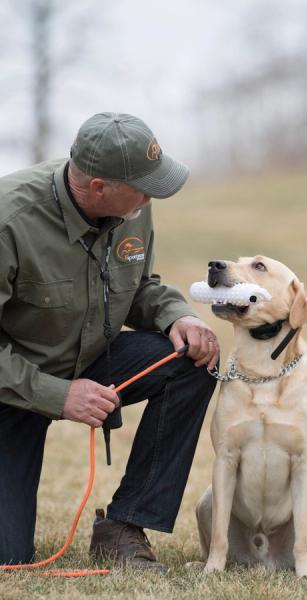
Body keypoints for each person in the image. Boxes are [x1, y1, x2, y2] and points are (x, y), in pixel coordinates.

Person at [0, 112, 219, 571]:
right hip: (13, 385)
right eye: (143, 184)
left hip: (92, 355)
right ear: (99, 187)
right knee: (9, 558)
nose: (153, 193)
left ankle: (123, 526)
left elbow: (140, 286)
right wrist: (58, 395)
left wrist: (176, 315)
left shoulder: (133, 204)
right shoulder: (9, 220)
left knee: (190, 363)